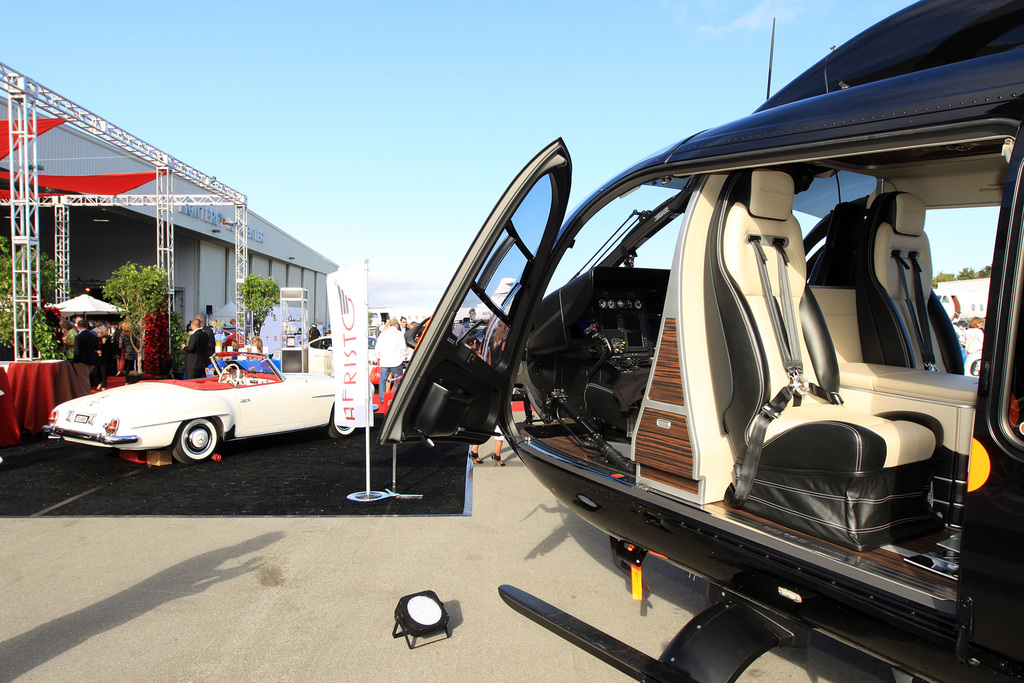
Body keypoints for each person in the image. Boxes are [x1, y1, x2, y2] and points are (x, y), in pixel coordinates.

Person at [376, 318, 407, 398]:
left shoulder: (383, 334)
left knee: (383, 380)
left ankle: (382, 398)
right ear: (396, 324)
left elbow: (377, 347)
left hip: (385, 362)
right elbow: (403, 347)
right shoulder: (399, 334)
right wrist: (405, 356)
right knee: (398, 380)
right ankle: (397, 397)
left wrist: (378, 357)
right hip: (396, 361)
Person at [72, 318, 98, 388]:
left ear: (78, 327)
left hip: (82, 361)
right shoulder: (93, 336)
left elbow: (77, 350)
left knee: (84, 380)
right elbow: (96, 347)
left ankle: (86, 394)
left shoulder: (79, 337)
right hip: (91, 360)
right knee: (86, 378)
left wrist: (75, 360)